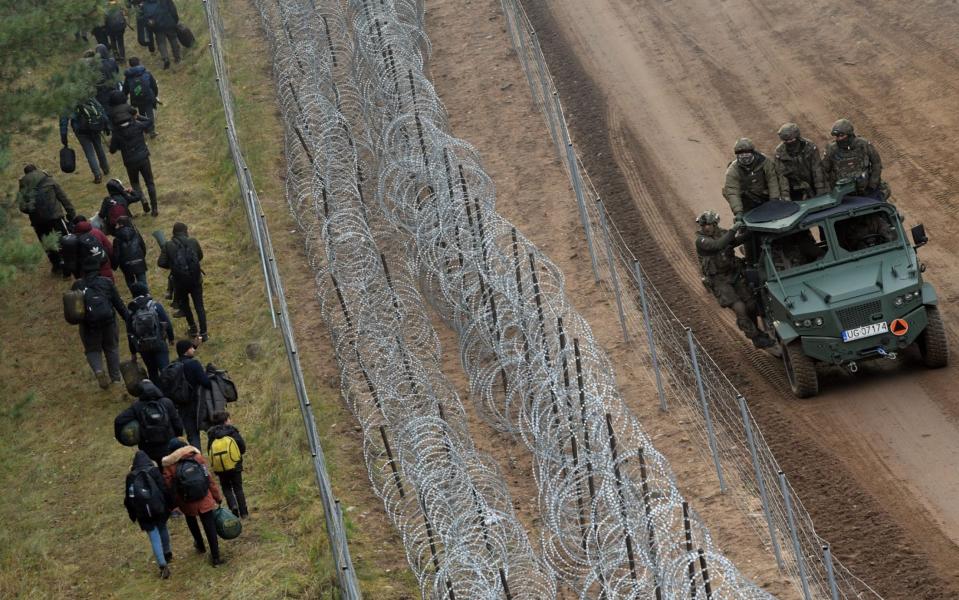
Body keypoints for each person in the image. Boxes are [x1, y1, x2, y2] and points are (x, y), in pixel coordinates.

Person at [695, 210, 774, 349]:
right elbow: (718, 245)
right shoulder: (701, 241)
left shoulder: (722, 233)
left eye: (709, 224)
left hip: (734, 273)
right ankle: (755, 337)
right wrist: (733, 229)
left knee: (751, 304)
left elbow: (734, 242)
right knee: (740, 308)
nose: (706, 227)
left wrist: (752, 230)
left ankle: (757, 332)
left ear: (714, 224)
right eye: (703, 225)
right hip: (719, 280)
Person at [162, 438, 225, 566]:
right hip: (204, 497)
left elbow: (168, 487)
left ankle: (200, 545)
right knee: (210, 526)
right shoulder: (197, 457)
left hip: (185, 500)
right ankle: (216, 557)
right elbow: (209, 479)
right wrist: (217, 496)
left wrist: (173, 504)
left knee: (191, 520)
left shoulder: (169, 465)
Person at [71, 265, 130, 388]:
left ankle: (98, 370)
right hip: (109, 322)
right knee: (111, 348)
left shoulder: (78, 286)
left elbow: (74, 309)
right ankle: (115, 379)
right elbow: (118, 303)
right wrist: (127, 318)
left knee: (92, 350)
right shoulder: (106, 282)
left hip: (88, 326)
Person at [16, 165, 76, 276]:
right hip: (55, 217)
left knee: (47, 244)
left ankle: (57, 266)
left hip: (38, 221)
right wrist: (71, 213)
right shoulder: (48, 179)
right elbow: (63, 197)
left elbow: (22, 207)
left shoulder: (23, 185)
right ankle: (69, 265)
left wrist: (32, 212)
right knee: (64, 240)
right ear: (36, 170)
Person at [123, 450, 174, 579]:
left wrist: (133, 515)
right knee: (163, 528)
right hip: (159, 509)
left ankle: (162, 566)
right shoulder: (154, 471)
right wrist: (170, 506)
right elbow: (164, 489)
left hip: (143, 513)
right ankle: (167, 553)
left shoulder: (131, 477)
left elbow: (129, 499)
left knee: (154, 537)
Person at [115, 380, 184, 463]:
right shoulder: (166, 402)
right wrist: (177, 436)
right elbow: (177, 424)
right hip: (169, 445)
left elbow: (119, 421)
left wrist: (125, 440)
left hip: (148, 448)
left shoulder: (137, 406)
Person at [158, 223, 207, 340]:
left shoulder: (168, 245)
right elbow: (200, 256)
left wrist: (173, 266)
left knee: (185, 306)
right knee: (199, 306)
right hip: (195, 279)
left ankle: (193, 329)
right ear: (185, 231)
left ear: (173, 232)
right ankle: (204, 333)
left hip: (180, 282)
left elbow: (161, 262)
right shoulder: (193, 242)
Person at [821, 119, 889, 200]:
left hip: (866, 189)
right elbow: (823, 171)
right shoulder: (832, 149)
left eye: (842, 136)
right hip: (843, 194)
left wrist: (872, 184)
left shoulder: (863, 144)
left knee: (884, 191)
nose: (839, 139)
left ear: (850, 135)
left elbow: (876, 164)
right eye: (837, 136)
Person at [722, 138, 788, 221]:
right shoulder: (733, 170)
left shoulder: (765, 162)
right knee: (744, 224)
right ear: (737, 155)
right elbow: (732, 192)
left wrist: (774, 200)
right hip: (747, 201)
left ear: (752, 152)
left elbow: (772, 180)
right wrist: (738, 212)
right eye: (741, 154)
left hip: (766, 197)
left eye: (747, 152)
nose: (744, 156)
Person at [109, 113, 158, 216]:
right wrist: (138, 116)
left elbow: (112, 150)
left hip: (130, 162)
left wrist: (119, 146)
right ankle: (155, 209)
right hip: (143, 158)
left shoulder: (117, 133)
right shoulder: (137, 125)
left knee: (135, 183)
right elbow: (149, 121)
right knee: (149, 183)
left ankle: (143, 199)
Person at [168, 340, 213, 448]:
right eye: (191, 348)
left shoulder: (173, 365)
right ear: (186, 351)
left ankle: (197, 462)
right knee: (212, 429)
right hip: (199, 403)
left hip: (182, 406)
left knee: (193, 435)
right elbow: (206, 382)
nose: (193, 349)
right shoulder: (194, 364)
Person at [127, 282, 175, 380]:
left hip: (143, 347)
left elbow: (130, 333)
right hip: (159, 342)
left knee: (152, 371)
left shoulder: (131, 311)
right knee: (165, 369)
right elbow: (167, 323)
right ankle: (170, 390)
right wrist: (171, 338)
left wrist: (133, 352)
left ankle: (157, 393)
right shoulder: (155, 305)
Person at [207, 411, 248, 519]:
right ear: (226, 420)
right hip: (235, 464)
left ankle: (233, 506)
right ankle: (244, 513)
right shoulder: (232, 431)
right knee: (238, 488)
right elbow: (242, 447)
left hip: (220, 467)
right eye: (229, 419)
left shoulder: (212, 435)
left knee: (226, 488)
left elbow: (209, 450)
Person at [60, 97, 110, 184]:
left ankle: (97, 175)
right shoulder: (85, 92)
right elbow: (99, 107)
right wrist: (106, 124)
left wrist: (63, 135)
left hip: (80, 130)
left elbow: (63, 119)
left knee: (89, 152)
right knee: (99, 148)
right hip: (94, 126)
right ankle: (105, 169)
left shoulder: (67, 100)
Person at [773, 123, 828, 201]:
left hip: (813, 184)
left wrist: (820, 188)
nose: (789, 142)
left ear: (798, 137)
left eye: (792, 140)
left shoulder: (810, 147)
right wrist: (786, 196)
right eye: (786, 141)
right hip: (794, 189)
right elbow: (782, 176)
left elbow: (817, 168)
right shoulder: (779, 153)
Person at [72, 215, 116, 280]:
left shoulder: (74, 239)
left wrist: (77, 276)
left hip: (87, 273)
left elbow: (73, 261)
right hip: (104, 266)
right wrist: (113, 264)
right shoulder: (97, 232)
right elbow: (109, 248)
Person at [123, 57, 159, 136]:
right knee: (150, 113)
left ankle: (146, 129)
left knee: (141, 113)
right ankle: (152, 131)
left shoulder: (128, 76)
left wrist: (124, 98)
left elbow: (125, 89)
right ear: (139, 63)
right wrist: (155, 95)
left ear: (130, 65)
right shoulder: (146, 72)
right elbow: (154, 85)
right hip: (148, 95)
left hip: (136, 98)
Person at [114, 216, 150, 293]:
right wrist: (141, 257)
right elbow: (143, 246)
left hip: (126, 264)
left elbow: (116, 254)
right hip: (139, 261)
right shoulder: (136, 233)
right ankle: (147, 296)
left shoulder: (117, 238)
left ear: (121, 225)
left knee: (130, 282)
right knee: (143, 281)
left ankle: (136, 296)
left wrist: (114, 266)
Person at [142, 0, 180, 70]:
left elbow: (146, 18)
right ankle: (177, 57)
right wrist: (175, 20)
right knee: (173, 39)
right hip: (169, 22)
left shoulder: (145, 4)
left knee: (161, 43)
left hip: (157, 26)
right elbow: (172, 9)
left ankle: (165, 58)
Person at [93, 44, 121, 108]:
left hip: (103, 92)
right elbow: (117, 72)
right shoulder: (112, 61)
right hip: (115, 88)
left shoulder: (95, 65)